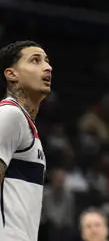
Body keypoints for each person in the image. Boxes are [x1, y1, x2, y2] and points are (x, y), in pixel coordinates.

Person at [0, 40, 52, 241]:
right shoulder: (10, 114)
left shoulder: (23, 122)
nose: (48, 67)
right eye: (35, 60)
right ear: (11, 74)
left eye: (47, 61)